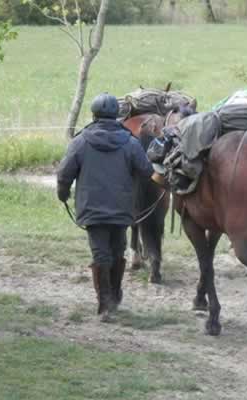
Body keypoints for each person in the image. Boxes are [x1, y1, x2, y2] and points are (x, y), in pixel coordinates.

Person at [57, 93, 154, 321]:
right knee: (117, 251)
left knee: (100, 253)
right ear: (116, 115)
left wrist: (63, 194)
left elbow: (64, 173)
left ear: (94, 114)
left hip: (92, 209)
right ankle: (115, 296)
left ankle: (104, 303)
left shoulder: (80, 142)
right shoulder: (130, 143)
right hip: (122, 209)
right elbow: (147, 171)